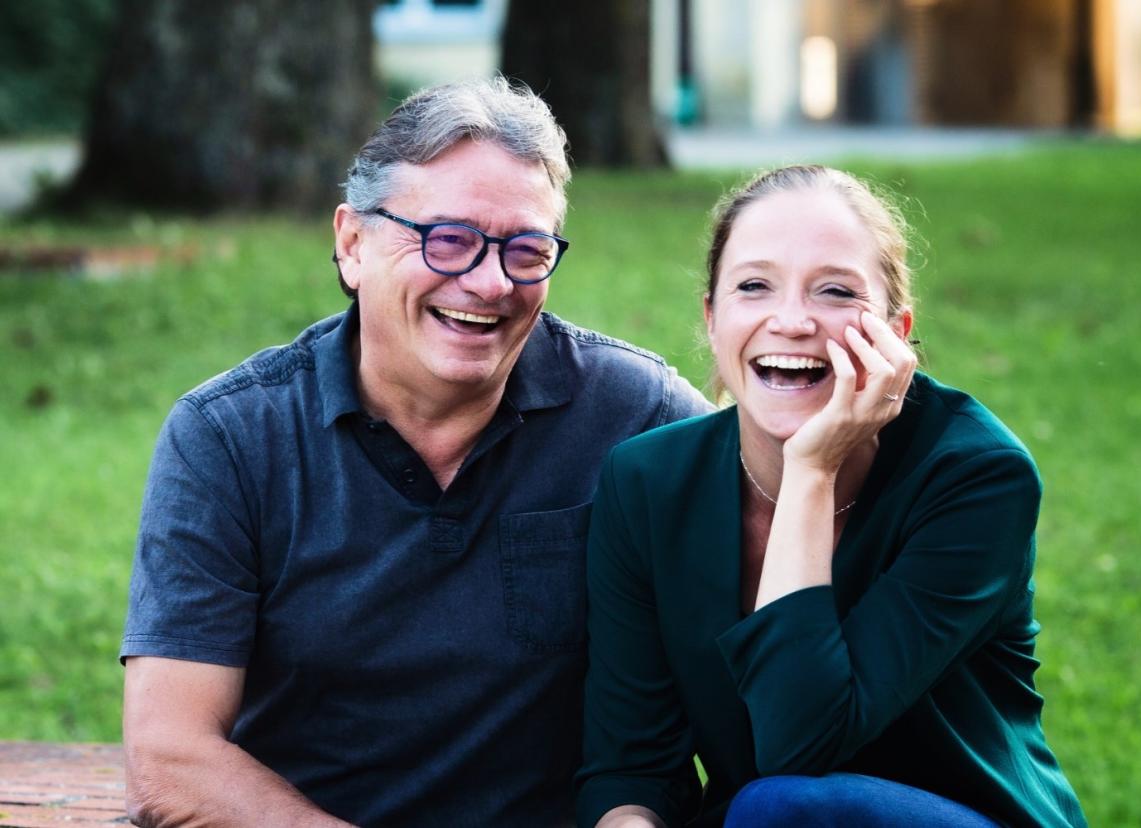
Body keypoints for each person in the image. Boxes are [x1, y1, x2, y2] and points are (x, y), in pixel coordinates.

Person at [120, 78, 711, 828]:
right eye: (449, 239)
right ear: (352, 243)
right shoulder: (232, 437)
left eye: (525, 249)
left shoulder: (638, 414)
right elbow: (170, 757)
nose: (490, 282)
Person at [575, 165, 1087, 828]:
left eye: (836, 291)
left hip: (961, 816)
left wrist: (811, 469)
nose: (791, 321)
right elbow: (629, 763)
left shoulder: (978, 477)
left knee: (779, 804)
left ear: (895, 332)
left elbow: (801, 743)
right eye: (754, 286)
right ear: (711, 317)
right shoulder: (646, 482)